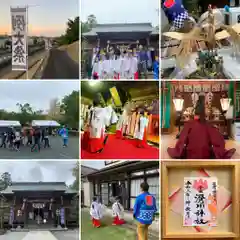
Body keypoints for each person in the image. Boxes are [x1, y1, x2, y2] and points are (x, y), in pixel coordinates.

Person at [167, 94, 236, 159]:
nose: (208, 107)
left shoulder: (189, 124)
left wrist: (179, 150)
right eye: (206, 106)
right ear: (202, 109)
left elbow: (181, 141)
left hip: (190, 155)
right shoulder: (208, 125)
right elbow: (219, 141)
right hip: (205, 155)